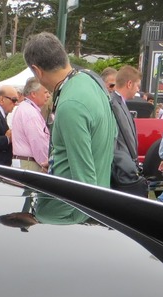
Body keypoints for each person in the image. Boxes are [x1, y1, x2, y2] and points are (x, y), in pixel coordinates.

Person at [23, 32, 116, 187]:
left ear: (37, 71)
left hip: (69, 209)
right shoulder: (93, 83)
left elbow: (84, 182)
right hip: (97, 189)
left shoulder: (71, 103)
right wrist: (58, 163)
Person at [108, 66, 148, 196]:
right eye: (137, 85)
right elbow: (115, 141)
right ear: (129, 84)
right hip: (122, 173)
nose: (138, 89)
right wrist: (129, 168)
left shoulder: (119, 103)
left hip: (126, 170)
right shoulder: (113, 104)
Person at [11, 77, 50, 172]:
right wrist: (46, 163)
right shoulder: (30, 112)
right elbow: (38, 142)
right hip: (29, 164)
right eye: (45, 92)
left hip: (24, 162)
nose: (48, 95)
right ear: (33, 94)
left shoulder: (25, 108)